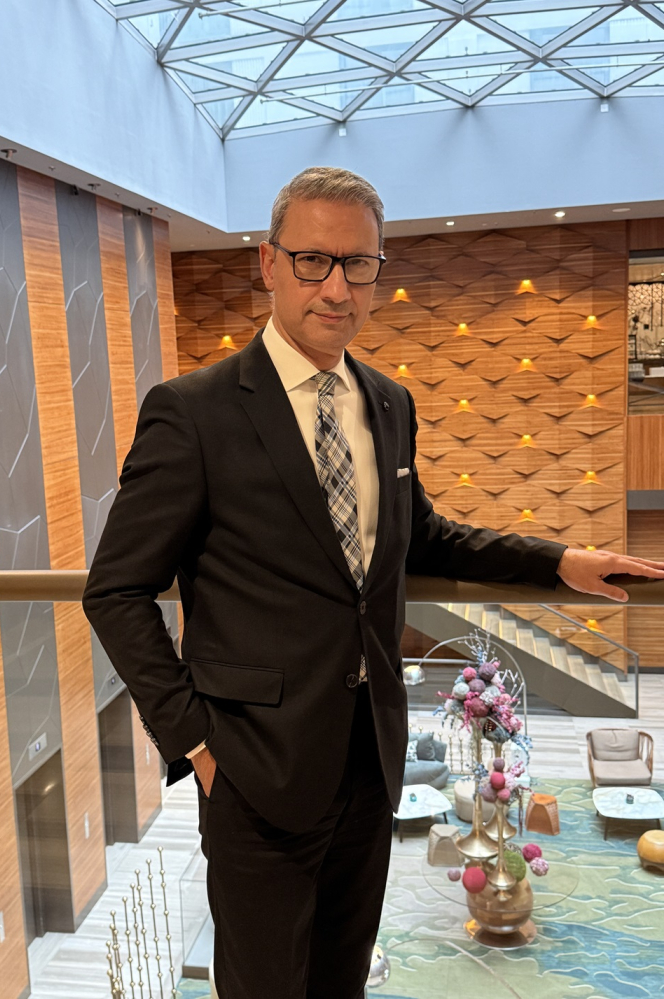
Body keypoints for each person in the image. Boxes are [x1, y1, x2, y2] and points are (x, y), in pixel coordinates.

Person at [82, 166, 664, 998]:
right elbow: (115, 590)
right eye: (314, 260)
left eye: (358, 264)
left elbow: (425, 535)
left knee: (342, 977)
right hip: (253, 770)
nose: (337, 287)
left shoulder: (388, 403)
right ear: (269, 263)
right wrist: (197, 744)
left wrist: (558, 562)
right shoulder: (194, 411)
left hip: (369, 758)